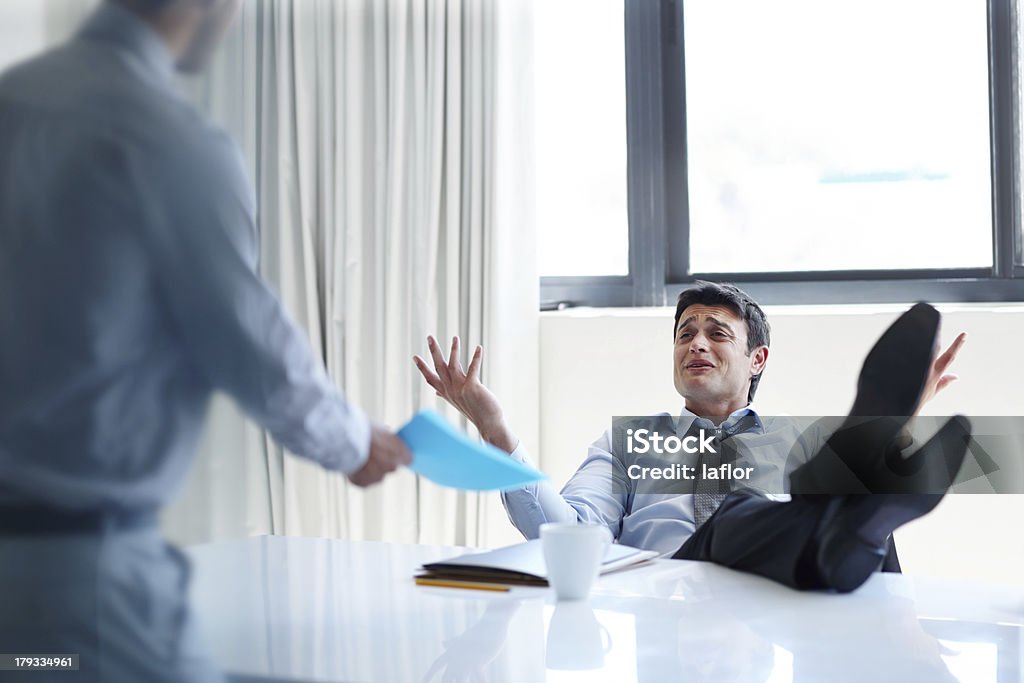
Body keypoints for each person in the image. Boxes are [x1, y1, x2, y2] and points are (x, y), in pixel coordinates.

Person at [0, 1, 410, 680]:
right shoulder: (168, 140)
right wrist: (354, 441)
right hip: (88, 587)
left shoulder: (13, 103)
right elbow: (252, 340)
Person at [414, 281, 970, 592]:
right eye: (685, 334)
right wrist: (495, 429)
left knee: (840, 504)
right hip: (660, 600)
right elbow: (564, 536)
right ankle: (858, 508)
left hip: (777, 600)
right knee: (752, 511)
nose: (695, 344)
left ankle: (863, 498)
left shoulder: (794, 442)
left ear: (757, 359)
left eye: (717, 333)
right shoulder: (627, 442)